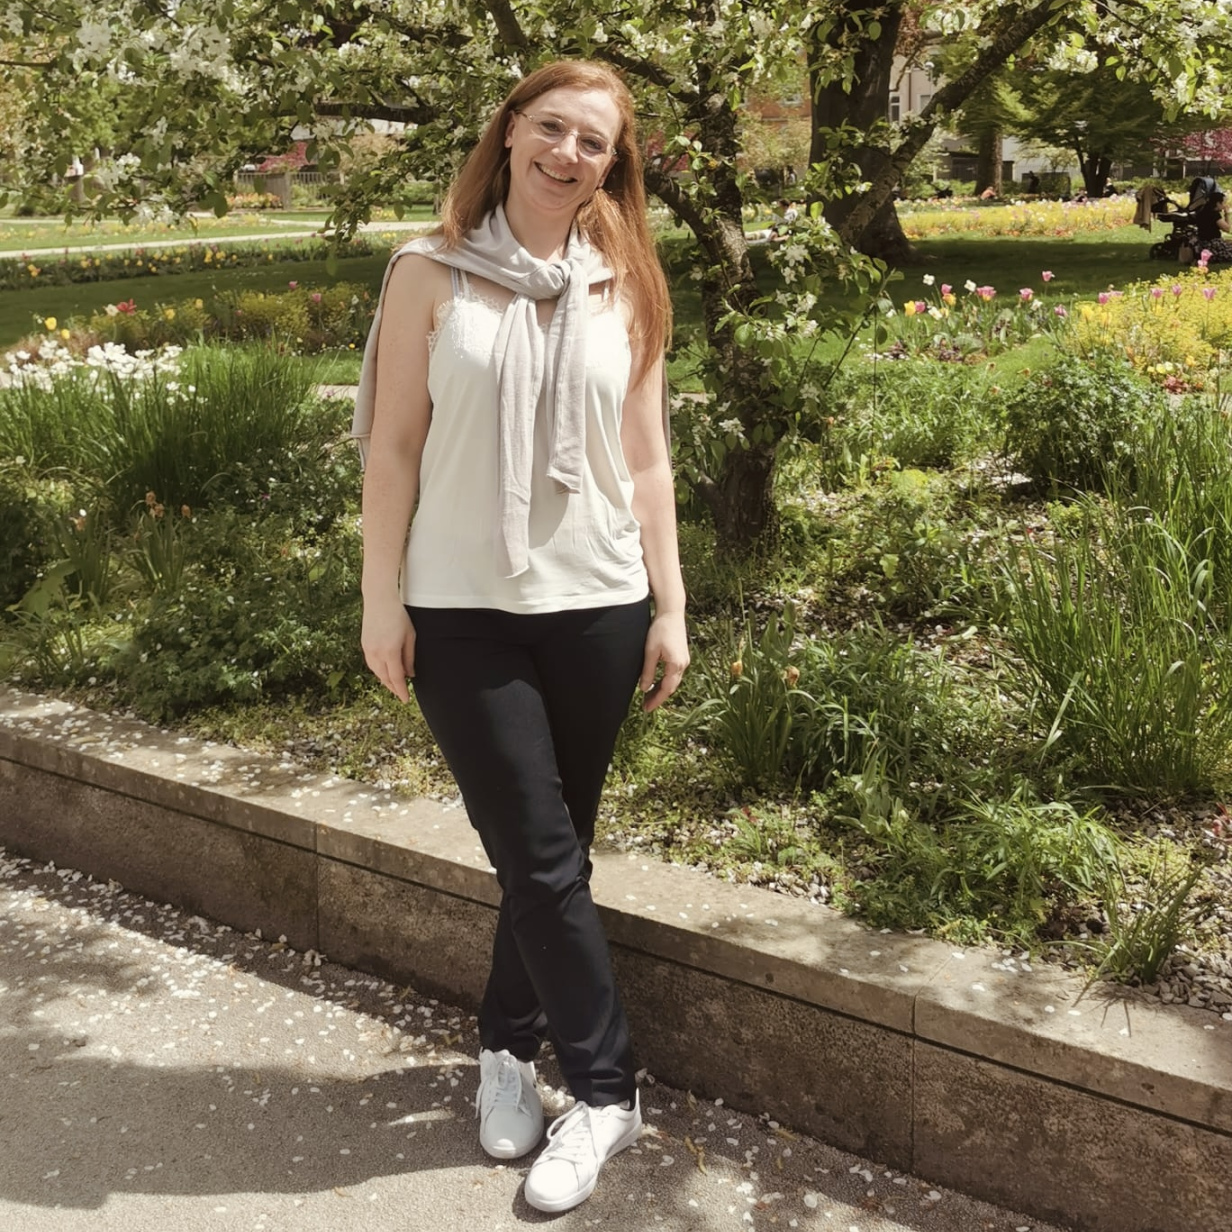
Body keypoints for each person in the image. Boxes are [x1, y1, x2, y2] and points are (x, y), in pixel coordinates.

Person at [350, 59, 689, 1214]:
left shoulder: (624, 282)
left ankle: (506, 1043)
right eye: (551, 127)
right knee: (538, 855)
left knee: (552, 856)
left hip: (597, 600)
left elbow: (644, 458)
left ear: (612, 164)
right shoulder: (428, 270)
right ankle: (605, 1087)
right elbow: (393, 447)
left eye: (594, 142)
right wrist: (380, 597)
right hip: (461, 607)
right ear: (507, 132)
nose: (567, 154)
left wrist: (669, 604)